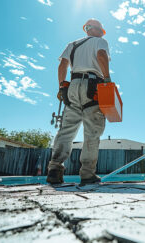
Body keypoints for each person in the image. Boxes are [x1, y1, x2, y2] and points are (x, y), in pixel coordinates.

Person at [46, 19, 111, 185]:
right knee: (92, 131)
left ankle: (55, 168)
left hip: (73, 85)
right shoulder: (100, 42)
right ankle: (88, 174)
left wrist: (62, 87)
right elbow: (102, 56)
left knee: (67, 129)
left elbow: (63, 65)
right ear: (95, 30)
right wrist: (107, 79)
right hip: (93, 84)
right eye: (100, 30)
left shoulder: (72, 44)